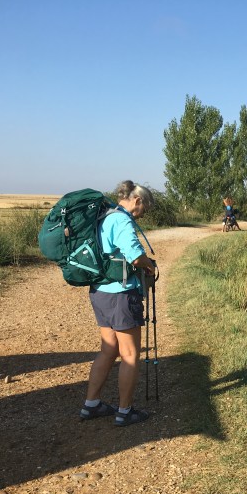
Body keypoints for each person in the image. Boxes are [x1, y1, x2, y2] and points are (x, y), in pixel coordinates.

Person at [79, 180, 156, 426]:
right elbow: (135, 256)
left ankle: (91, 405)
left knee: (108, 349)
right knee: (130, 354)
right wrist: (150, 265)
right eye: (145, 208)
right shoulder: (122, 220)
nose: (143, 213)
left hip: (100, 292)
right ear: (137, 200)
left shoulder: (103, 216)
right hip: (121, 295)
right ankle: (125, 411)